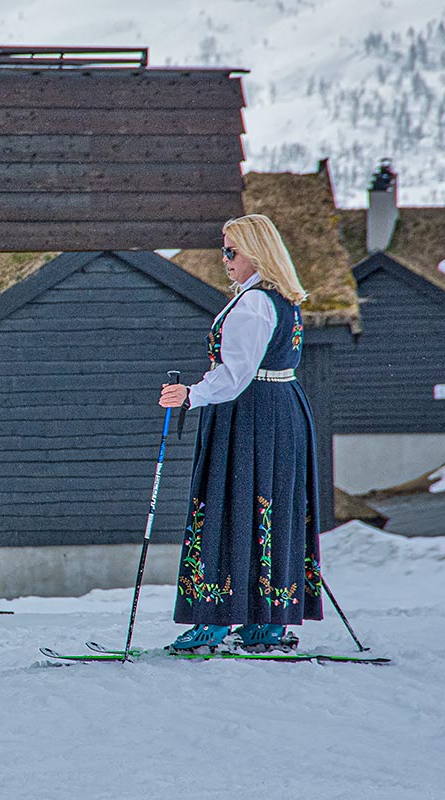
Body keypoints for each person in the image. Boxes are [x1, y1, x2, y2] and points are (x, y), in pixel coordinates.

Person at [158, 214, 324, 651]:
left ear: (257, 253)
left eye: (231, 251)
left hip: (247, 415)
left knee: (229, 505)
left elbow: (235, 375)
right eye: (224, 250)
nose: (225, 259)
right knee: (270, 509)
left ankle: (213, 620)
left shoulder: (252, 306)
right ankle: (264, 621)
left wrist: (189, 394)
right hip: (282, 411)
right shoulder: (282, 301)